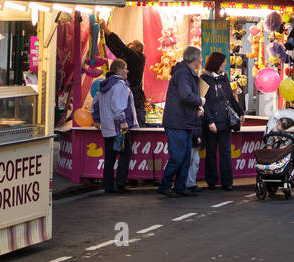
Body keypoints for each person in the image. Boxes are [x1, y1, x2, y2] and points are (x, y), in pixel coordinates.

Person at [158, 46, 203, 198]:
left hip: (184, 120)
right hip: (177, 122)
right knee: (178, 156)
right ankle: (165, 185)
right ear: (195, 59)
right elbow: (185, 95)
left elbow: (184, 97)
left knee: (185, 157)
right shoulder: (183, 73)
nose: (201, 61)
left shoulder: (186, 73)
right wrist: (200, 101)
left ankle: (180, 186)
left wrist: (195, 108)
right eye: (200, 58)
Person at [93, 60, 137, 194]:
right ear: (119, 70)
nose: (127, 71)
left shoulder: (103, 86)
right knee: (125, 154)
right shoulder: (120, 85)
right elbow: (118, 106)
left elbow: (95, 104)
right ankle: (120, 184)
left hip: (107, 127)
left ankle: (108, 184)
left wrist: (97, 119)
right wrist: (123, 121)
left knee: (110, 157)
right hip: (119, 127)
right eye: (126, 68)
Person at [201, 52, 243, 191]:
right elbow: (203, 103)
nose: (225, 64)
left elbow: (230, 97)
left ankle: (227, 182)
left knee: (226, 152)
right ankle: (211, 181)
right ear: (216, 64)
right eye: (223, 62)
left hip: (225, 122)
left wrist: (240, 112)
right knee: (211, 152)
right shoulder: (204, 79)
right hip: (212, 122)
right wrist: (210, 121)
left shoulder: (224, 78)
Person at [102, 23, 148, 124]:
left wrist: (106, 29)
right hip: (127, 91)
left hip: (135, 93)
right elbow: (115, 48)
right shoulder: (129, 57)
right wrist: (104, 34)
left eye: (131, 43)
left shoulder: (139, 57)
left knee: (137, 119)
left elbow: (121, 46)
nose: (128, 44)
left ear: (138, 48)